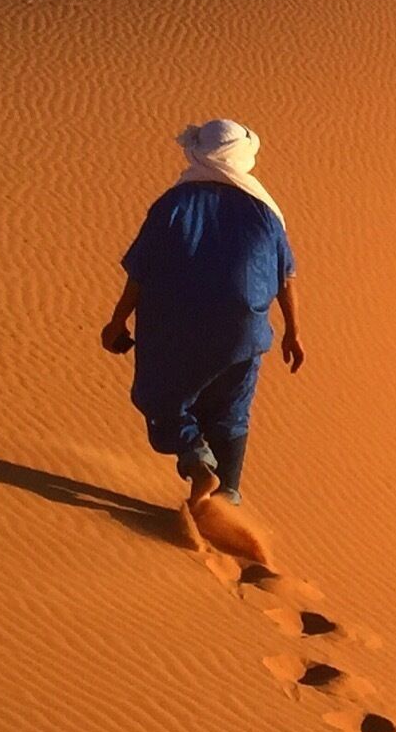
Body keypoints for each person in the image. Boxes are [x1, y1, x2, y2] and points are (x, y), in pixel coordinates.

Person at [103, 118, 304, 506]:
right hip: (244, 329)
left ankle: (196, 461)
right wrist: (294, 331)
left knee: (162, 396)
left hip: (174, 326)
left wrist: (117, 321)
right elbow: (286, 277)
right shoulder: (266, 212)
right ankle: (225, 498)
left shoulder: (173, 205)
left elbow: (140, 273)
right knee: (231, 408)